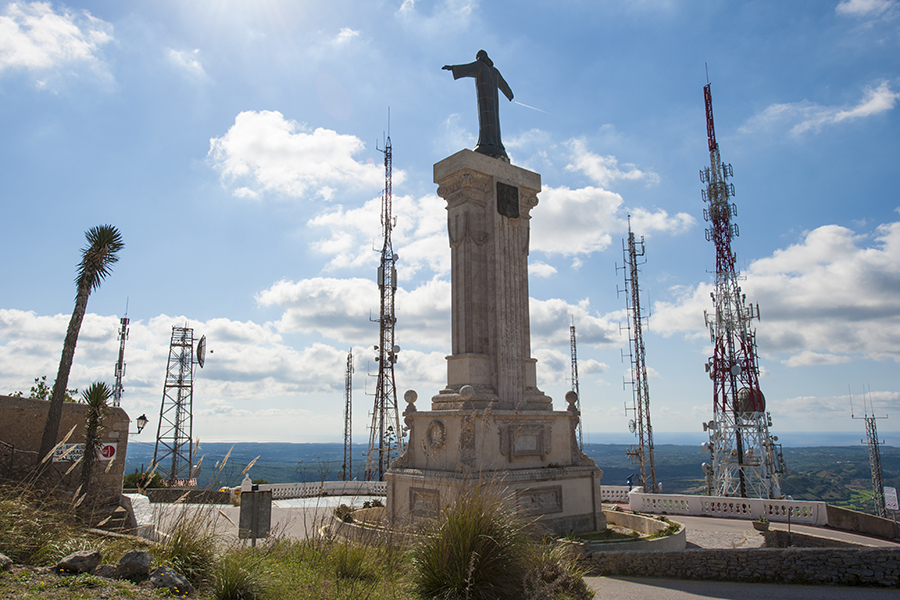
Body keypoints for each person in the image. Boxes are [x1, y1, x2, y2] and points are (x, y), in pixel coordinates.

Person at [443, 50, 514, 159]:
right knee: (494, 119)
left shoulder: (481, 66)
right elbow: (505, 86)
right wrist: (509, 94)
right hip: (493, 101)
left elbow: (467, 68)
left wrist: (452, 67)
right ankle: (496, 144)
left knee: (486, 118)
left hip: (484, 98)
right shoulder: (495, 71)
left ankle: (486, 143)